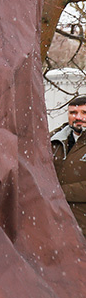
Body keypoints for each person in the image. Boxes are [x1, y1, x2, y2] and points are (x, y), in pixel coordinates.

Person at [51, 95, 86, 237]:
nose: (78, 117)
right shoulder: (54, 141)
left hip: (82, 225)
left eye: (84, 113)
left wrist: (59, 192)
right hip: (55, 223)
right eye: (73, 113)